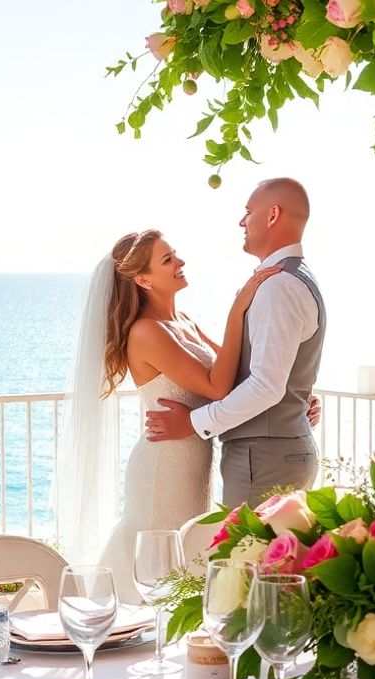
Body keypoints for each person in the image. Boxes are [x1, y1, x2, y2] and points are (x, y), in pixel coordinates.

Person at [51, 229, 278, 600]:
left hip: (192, 460)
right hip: (163, 468)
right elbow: (217, 386)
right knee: (159, 569)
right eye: (167, 259)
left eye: (176, 254)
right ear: (142, 279)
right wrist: (239, 309)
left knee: (186, 559)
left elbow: (236, 374)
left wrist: (295, 400)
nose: (180, 262)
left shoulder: (183, 321)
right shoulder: (145, 331)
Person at [146, 178, 326, 510]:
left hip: (264, 459)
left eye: (248, 212)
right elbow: (276, 367)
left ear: (272, 215)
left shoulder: (278, 286)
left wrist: (193, 422)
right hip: (274, 453)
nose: (242, 222)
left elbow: (267, 386)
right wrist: (298, 398)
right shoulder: (295, 276)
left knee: (245, 562)